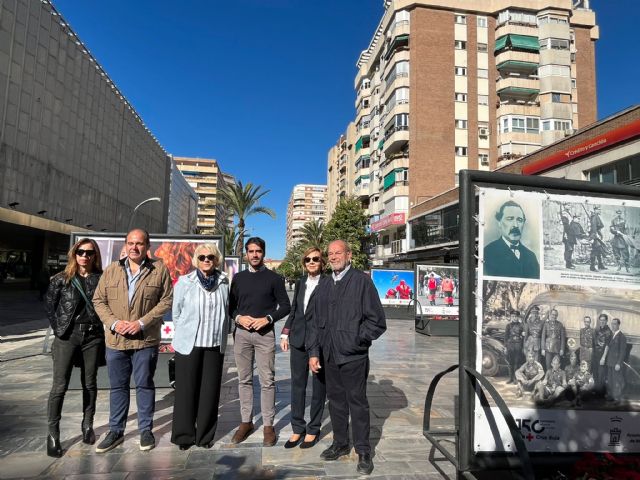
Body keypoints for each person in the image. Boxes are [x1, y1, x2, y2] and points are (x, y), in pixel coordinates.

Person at [308, 240, 387, 476]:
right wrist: (314, 352)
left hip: (353, 356)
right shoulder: (323, 285)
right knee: (336, 402)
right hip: (329, 355)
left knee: (357, 403)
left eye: (338, 252)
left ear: (349, 255)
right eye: (330, 254)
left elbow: (377, 321)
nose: (333, 257)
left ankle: (363, 451)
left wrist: (357, 340)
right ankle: (340, 444)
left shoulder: (362, 282)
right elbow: (313, 322)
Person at [92, 229, 173, 453]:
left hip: (145, 340)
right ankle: (115, 430)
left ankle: (145, 430)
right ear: (125, 245)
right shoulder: (111, 270)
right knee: (118, 387)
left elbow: (166, 301)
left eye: (139, 243)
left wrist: (141, 323)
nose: (134, 247)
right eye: (130, 243)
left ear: (148, 246)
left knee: (145, 385)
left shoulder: (159, 269)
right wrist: (114, 323)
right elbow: (99, 300)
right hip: (116, 341)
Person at [44, 238, 104, 457]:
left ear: (95, 255)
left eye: (89, 253)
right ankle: (53, 435)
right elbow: (49, 305)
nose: (85, 256)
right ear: (74, 254)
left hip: (93, 336)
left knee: (90, 383)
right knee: (59, 386)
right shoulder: (61, 279)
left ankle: (87, 425)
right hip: (67, 337)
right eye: (81, 252)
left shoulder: (102, 278)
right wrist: (60, 329)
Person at [229, 237, 291, 447]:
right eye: (251, 251)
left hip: (265, 335)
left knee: (267, 381)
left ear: (263, 253)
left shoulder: (274, 278)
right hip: (242, 335)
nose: (254, 254)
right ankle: (246, 422)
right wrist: (239, 318)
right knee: (244, 380)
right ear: (246, 253)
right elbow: (231, 307)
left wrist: (268, 319)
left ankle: (268, 426)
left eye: (258, 251)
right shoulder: (238, 278)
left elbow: (285, 305)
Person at [170, 243, 230, 450]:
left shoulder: (224, 282)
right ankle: (184, 436)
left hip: (214, 344)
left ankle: (204, 436)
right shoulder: (185, 282)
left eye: (211, 257)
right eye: (203, 257)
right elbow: (176, 314)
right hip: (189, 345)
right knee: (186, 391)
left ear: (217, 260)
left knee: (209, 392)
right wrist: (184, 333)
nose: (207, 260)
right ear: (196, 260)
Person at [280, 246, 326, 449]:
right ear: (304, 263)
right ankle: (298, 428)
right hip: (298, 340)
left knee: (318, 387)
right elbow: (295, 310)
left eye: (315, 258)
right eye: (308, 259)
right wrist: (285, 332)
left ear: (322, 261)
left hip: (320, 342)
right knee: (297, 386)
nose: (312, 262)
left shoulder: (328, 283)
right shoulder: (300, 283)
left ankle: (314, 429)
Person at [483, 200, 540, 279]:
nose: (515, 225)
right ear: (499, 223)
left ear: (523, 223)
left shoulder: (531, 257)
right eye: (510, 219)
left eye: (519, 220)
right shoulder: (487, 253)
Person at [603, 318, 627, 404]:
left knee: (616, 380)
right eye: (612, 324)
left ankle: (617, 397)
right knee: (610, 380)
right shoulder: (611, 335)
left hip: (616, 364)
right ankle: (611, 396)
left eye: (614, 324)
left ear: (618, 325)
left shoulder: (622, 337)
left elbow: (622, 352)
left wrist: (618, 363)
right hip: (610, 362)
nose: (613, 326)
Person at [592, 313, 613, 395]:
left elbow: (607, 345)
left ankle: (600, 392)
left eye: (604, 320)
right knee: (595, 373)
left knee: (601, 374)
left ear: (606, 321)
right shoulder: (597, 330)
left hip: (602, 356)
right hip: (595, 355)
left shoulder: (608, 332)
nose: (602, 322)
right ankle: (596, 390)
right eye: (600, 320)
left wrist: (603, 358)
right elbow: (594, 344)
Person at [504, 310, 525, 384]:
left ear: (518, 317)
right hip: (510, 346)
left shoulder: (521, 325)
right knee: (510, 362)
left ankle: (516, 378)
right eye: (513, 316)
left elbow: (523, 337)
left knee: (517, 362)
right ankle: (510, 378)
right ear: (511, 317)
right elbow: (506, 337)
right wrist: (506, 347)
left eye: (516, 316)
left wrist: (522, 346)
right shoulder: (508, 326)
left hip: (518, 345)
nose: (514, 318)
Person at [588, 206, 607, 272]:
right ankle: (592, 266)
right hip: (594, 235)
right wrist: (594, 236)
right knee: (595, 250)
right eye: (598, 209)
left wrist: (600, 234)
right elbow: (593, 228)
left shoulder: (596, 216)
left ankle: (600, 265)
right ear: (595, 210)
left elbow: (598, 227)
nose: (600, 211)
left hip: (596, 234)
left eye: (600, 209)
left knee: (599, 249)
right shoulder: (594, 217)